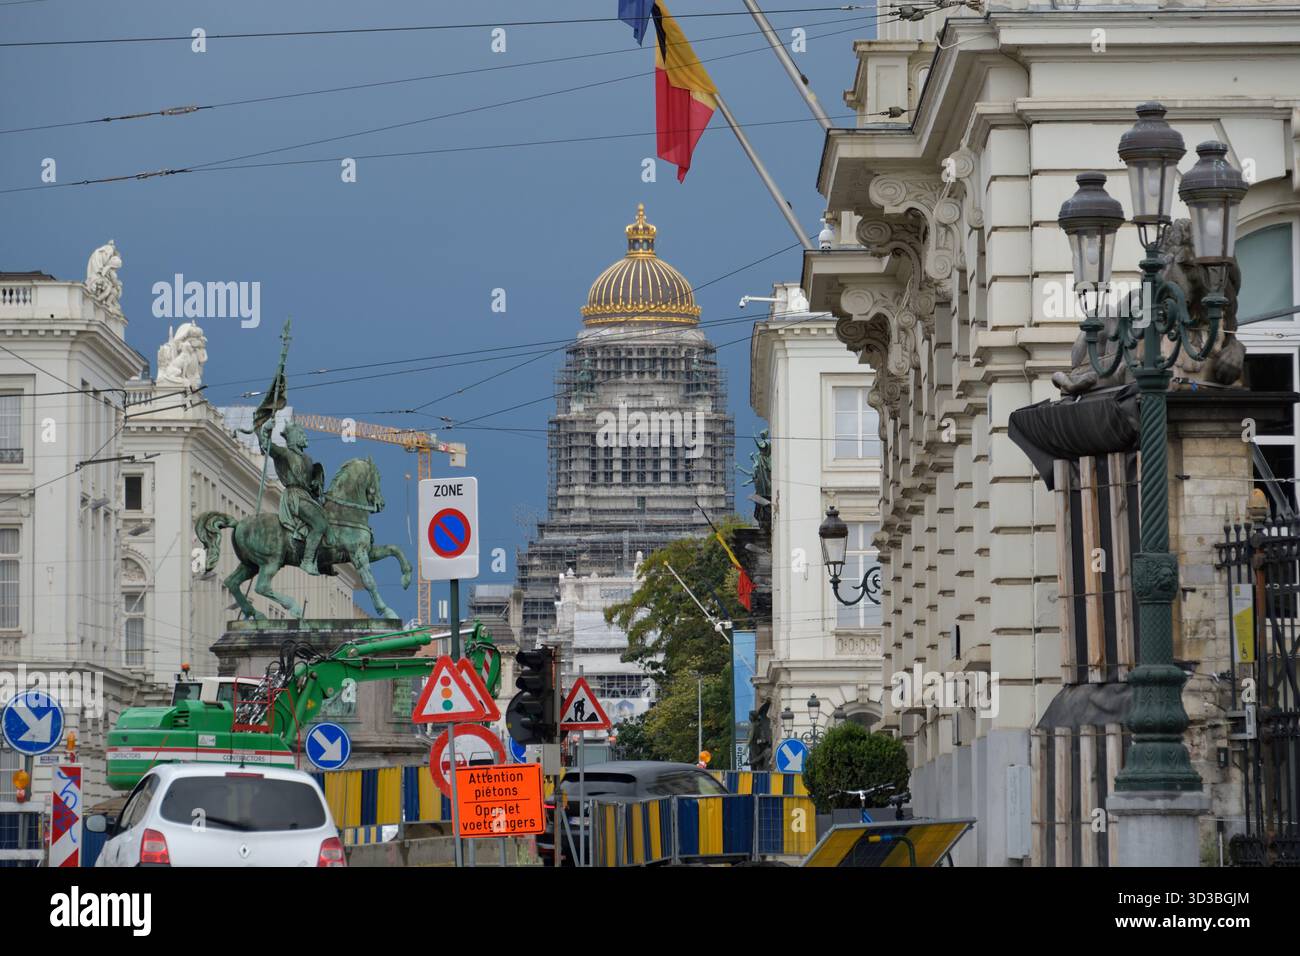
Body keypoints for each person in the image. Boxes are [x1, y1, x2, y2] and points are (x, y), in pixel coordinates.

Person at [259, 418, 329, 575]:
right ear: (293, 436)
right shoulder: (285, 453)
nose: (304, 436)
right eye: (301, 433)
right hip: (294, 496)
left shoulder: (308, 459)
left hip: (307, 495)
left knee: (327, 520)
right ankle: (306, 561)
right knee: (319, 524)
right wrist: (265, 430)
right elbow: (267, 446)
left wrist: (316, 484)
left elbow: (311, 480)